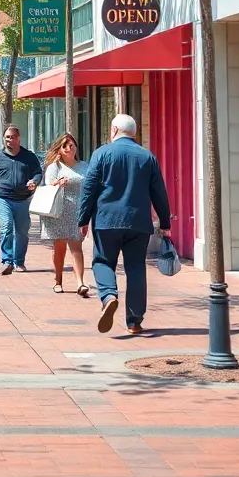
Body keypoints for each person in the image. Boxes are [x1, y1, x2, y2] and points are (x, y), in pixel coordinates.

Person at [79, 114, 171, 335]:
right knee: (136, 268)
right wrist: (165, 223)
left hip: (106, 220)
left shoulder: (101, 154)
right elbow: (159, 192)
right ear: (134, 133)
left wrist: (83, 219)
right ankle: (135, 321)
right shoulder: (147, 157)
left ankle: (109, 295)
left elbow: (89, 189)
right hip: (138, 222)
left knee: (102, 261)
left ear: (113, 130)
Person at [0, 125, 42, 275]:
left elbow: (38, 173)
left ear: (18, 138)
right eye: (7, 137)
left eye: (13, 137)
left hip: (23, 199)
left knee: (22, 232)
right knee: (7, 227)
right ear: (4, 139)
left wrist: (34, 181)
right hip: (3, 198)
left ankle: (19, 261)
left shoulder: (28, 156)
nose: (10, 140)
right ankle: (7, 261)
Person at [42, 133, 89, 296]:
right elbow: (48, 185)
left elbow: (90, 187)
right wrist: (57, 183)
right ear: (60, 150)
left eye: (72, 144)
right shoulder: (55, 167)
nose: (69, 147)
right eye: (65, 146)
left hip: (77, 211)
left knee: (77, 247)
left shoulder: (84, 166)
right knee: (59, 248)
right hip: (59, 212)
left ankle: (81, 283)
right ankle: (58, 280)